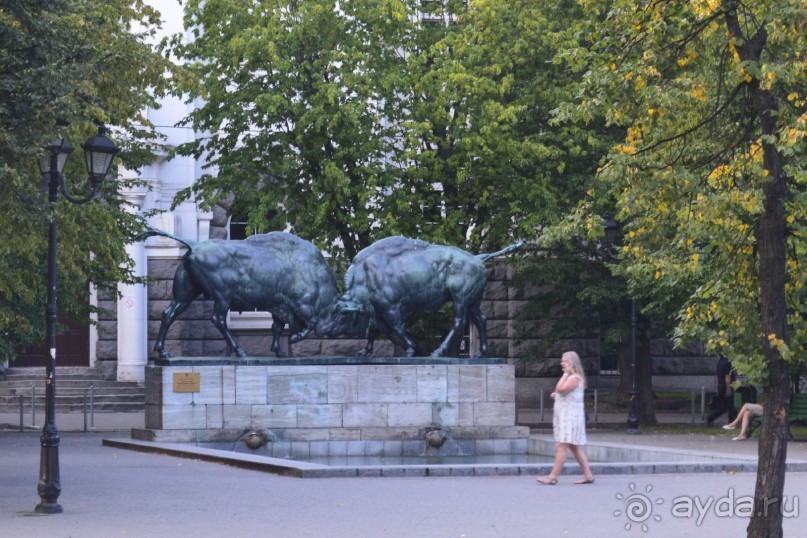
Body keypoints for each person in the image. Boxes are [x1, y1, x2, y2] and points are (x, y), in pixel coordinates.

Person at [537, 351, 595, 485]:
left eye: (564, 361)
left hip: (570, 417)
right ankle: (588, 476)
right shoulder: (573, 377)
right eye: (562, 361)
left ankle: (552, 477)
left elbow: (560, 389)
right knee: (573, 447)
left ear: (572, 363)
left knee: (561, 445)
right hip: (567, 416)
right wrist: (557, 395)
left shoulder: (574, 378)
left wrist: (565, 374)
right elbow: (563, 393)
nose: (561, 363)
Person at [707, 355, 737, 426]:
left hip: (721, 386)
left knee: (726, 406)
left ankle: (711, 418)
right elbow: (727, 377)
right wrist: (728, 389)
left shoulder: (720, 363)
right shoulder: (728, 363)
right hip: (726, 387)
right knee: (730, 405)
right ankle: (731, 422)